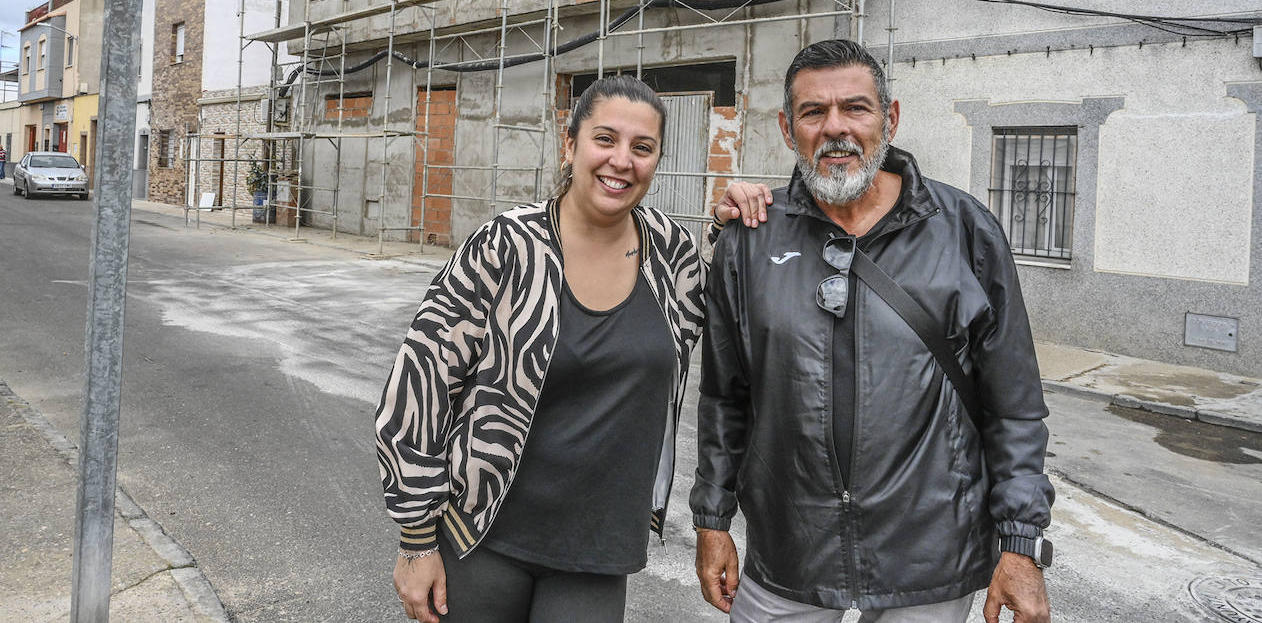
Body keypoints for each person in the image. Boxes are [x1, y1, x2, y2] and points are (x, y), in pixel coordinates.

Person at [377, 75, 765, 623]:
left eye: (642, 147)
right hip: (483, 537)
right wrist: (416, 540)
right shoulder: (505, 247)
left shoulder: (671, 256)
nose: (622, 160)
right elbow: (420, 387)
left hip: (597, 551)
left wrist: (733, 229)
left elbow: (730, 312)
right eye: (605, 139)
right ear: (570, 143)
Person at [693, 39, 1055, 623]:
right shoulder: (751, 238)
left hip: (929, 560)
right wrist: (712, 521)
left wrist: (1022, 546)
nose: (835, 128)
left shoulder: (964, 231)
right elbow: (725, 398)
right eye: (814, 112)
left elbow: (1013, 404)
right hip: (790, 552)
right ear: (788, 129)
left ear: (890, 117)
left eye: (856, 108)